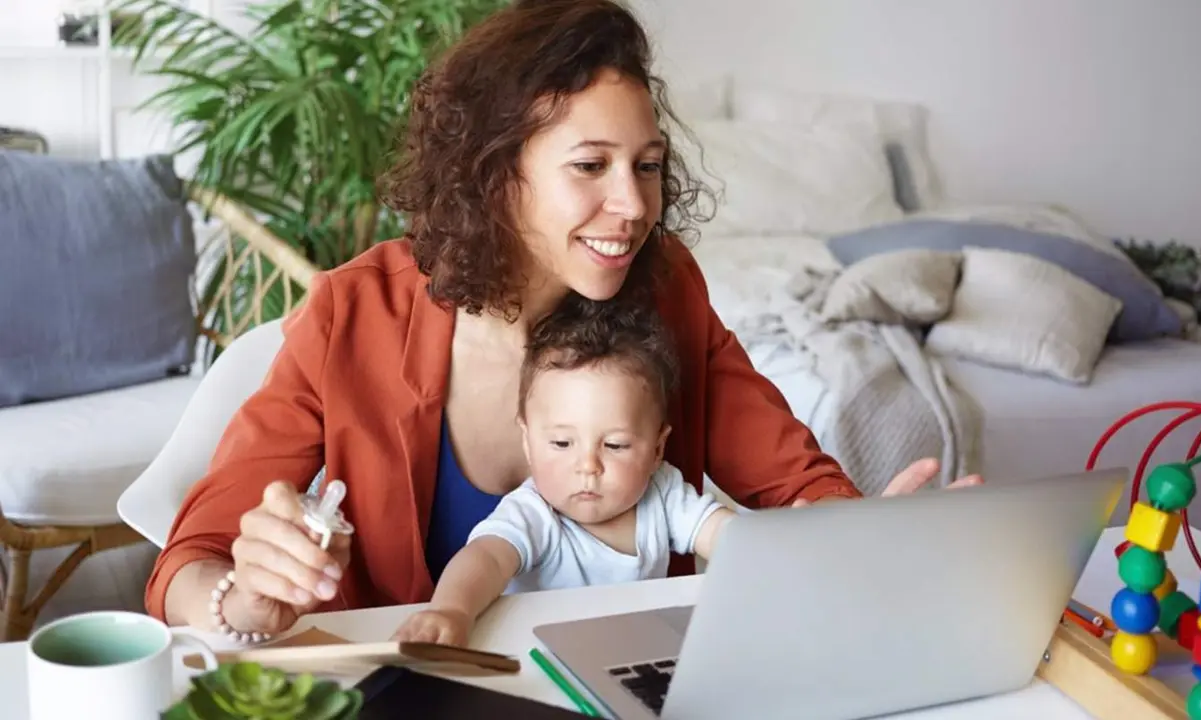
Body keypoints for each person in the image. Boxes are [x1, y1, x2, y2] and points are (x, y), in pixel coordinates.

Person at [146, 0, 981, 640]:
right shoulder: (353, 312)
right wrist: (243, 596)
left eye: (648, 167)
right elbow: (186, 567)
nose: (633, 206)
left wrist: (856, 530)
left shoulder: (668, 292)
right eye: (590, 166)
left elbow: (795, 483)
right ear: (495, 172)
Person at [394, 298, 735, 646]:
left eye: (615, 445)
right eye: (561, 443)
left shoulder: (663, 494)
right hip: (538, 660)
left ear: (657, 449)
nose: (588, 466)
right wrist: (452, 610)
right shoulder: (536, 513)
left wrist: (775, 556)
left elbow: (726, 535)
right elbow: (487, 559)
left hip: (630, 655)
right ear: (528, 441)